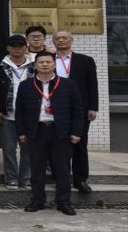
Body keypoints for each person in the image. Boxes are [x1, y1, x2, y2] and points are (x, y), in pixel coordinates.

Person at [16, 52, 84, 216]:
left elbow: (77, 110)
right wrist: (22, 132)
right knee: (37, 169)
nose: (45, 65)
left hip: (60, 132)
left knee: (62, 169)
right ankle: (37, 200)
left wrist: (76, 132)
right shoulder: (26, 85)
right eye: (41, 62)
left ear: (54, 64)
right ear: (35, 65)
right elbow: (20, 111)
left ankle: (64, 202)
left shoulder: (68, 84)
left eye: (48, 62)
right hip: (36, 131)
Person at [52, 29, 98, 194]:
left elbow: (92, 84)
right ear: (53, 41)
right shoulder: (47, 59)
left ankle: (80, 179)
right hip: (54, 108)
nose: (61, 40)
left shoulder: (85, 60)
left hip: (80, 109)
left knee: (80, 144)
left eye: (64, 37)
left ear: (71, 40)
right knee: (58, 146)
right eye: (57, 38)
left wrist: (93, 107)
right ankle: (60, 178)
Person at [0, 35, 34, 190]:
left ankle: (26, 178)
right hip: (7, 115)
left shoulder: (34, 67)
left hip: (29, 116)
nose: (17, 48)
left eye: (20, 45)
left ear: (26, 48)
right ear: (8, 48)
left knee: (28, 149)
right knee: (8, 149)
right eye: (13, 46)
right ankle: (12, 178)